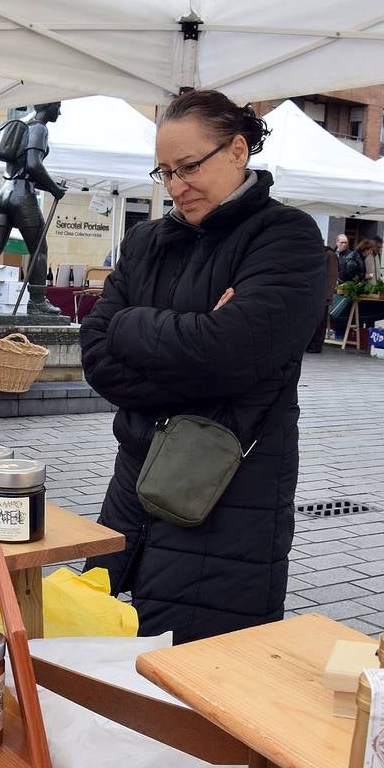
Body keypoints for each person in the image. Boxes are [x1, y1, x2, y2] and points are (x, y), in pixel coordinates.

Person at [80, 89, 326, 643]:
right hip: (133, 483)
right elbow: (96, 356)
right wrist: (186, 343)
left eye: (189, 167)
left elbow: (231, 353)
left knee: (195, 674)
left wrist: (130, 326)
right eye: (164, 172)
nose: (174, 186)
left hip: (228, 494)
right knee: (103, 650)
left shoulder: (284, 237)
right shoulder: (147, 239)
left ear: (238, 150)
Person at [0, 102, 66, 316]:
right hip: (22, 196)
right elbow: (33, 165)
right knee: (39, 249)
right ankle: (38, 301)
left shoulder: (23, 125)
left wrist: (52, 187)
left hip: (4, 192)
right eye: (57, 106)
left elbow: (26, 170)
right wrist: (54, 190)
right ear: (48, 106)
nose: (59, 112)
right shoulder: (39, 128)